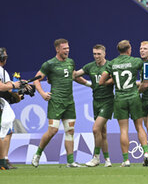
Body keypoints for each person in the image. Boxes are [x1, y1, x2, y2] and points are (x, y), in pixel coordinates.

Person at [31, 39, 83, 168]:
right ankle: (37, 154)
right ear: (57, 49)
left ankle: (70, 162)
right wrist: (43, 93)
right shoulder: (49, 64)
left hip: (69, 102)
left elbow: (72, 76)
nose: (67, 50)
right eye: (64, 48)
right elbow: (36, 80)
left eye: (68, 48)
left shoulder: (71, 62)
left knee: (70, 130)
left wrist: (89, 84)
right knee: (53, 130)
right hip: (56, 102)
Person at [99, 40, 148, 167]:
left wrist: (114, 80)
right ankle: (146, 154)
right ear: (129, 50)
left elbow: (101, 81)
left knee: (124, 130)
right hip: (134, 97)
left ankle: (126, 160)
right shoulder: (135, 61)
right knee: (139, 127)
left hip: (120, 98)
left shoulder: (112, 63)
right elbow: (147, 68)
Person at [74, 44, 114, 167]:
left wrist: (107, 82)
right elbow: (74, 75)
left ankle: (96, 158)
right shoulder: (89, 66)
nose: (96, 56)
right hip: (96, 101)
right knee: (102, 133)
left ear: (104, 54)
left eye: (99, 54)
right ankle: (107, 160)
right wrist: (87, 84)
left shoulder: (110, 66)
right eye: (94, 54)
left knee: (95, 129)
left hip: (108, 101)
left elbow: (117, 78)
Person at [0, 48, 24, 170]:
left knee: (8, 131)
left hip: (3, 105)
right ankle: (2, 161)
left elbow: (9, 88)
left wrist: (20, 89)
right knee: (3, 132)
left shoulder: (3, 72)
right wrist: (15, 85)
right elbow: (1, 87)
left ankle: (4, 159)